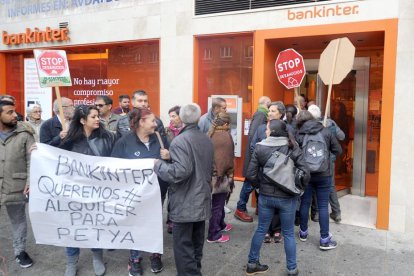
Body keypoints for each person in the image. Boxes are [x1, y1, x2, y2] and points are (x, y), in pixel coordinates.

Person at [154, 103, 214, 276]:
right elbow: (195, 164)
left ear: (182, 117)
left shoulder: (180, 140)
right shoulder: (205, 138)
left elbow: (180, 172)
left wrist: (158, 165)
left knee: (183, 248)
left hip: (186, 201)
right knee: (195, 246)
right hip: (200, 199)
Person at [245, 120, 309, 276]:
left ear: (272, 131)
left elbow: (250, 174)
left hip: (265, 196)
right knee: (288, 233)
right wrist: (298, 189)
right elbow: (305, 172)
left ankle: (252, 264)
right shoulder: (292, 146)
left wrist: (259, 187)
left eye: (267, 129)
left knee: (261, 229)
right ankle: (292, 269)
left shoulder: (260, 147)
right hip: (287, 197)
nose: (265, 131)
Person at [111, 107, 170, 275]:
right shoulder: (124, 142)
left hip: (157, 192)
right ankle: (135, 258)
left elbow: (171, 163)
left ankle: (155, 254)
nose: (156, 123)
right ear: (141, 123)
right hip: (133, 195)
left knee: (154, 223)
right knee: (135, 225)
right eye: (152, 120)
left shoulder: (160, 138)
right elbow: (114, 168)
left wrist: (168, 155)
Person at [58, 105, 116, 276]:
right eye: (93, 117)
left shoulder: (108, 137)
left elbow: (116, 160)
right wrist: (40, 149)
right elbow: (53, 156)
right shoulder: (70, 140)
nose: (98, 119)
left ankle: (97, 257)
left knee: (95, 223)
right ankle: (71, 262)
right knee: (72, 225)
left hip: (98, 192)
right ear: (82, 120)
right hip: (75, 192)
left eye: (98, 116)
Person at [295, 110, 342, 251]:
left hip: (306, 173)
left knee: (305, 202)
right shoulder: (326, 131)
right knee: (322, 206)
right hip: (324, 173)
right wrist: (326, 156)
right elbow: (338, 150)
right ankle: (324, 239)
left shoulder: (299, 134)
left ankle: (303, 232)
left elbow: (295, 153)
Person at [0, 100, 35, 269]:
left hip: (16, 185)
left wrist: (29, 181)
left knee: (19, 221)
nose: (15, 115)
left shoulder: (25, 134)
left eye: (14, 111)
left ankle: (20, 251)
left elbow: (31, 161)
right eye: (9, 112)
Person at [235, 96, 271, 223]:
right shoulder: (261, 114)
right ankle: (240, 208)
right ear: (266, 104)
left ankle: (257, 208)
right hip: (255, 157)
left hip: (255, 156)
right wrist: (255, 158)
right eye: (270, 106)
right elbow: (253, 137)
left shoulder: (260, 113)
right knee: (250, 183)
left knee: (256, 182)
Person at [307, 104, 345, 223]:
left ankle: (317, 213)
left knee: (314, 186)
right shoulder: (331, 123)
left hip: (312, 159)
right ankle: (336, 212)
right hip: (329, 160)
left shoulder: (307, 126)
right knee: (330, 186)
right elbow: (342, 136)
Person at [207, 112, 234, 243]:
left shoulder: (210, 134)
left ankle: (221, 224)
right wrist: (230, 175)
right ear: (225, 124)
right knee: (217, 205)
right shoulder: (225, 136)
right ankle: (213, 234)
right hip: (220, 176)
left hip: (209, 175)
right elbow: (228, 159)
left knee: (217, 204)